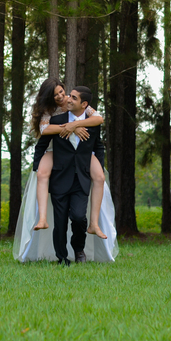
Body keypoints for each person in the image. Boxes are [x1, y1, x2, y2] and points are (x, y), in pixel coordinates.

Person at [12, 84, 118, 263]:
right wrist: (37, 165)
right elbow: (43, 138)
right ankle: (61, 257)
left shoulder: (90, 118)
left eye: (67, 94)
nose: (65, 97)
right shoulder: (51, 116)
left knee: (78, 217)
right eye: (58, 95)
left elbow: (98, 141)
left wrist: (75, 125)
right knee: (59, 221)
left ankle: (80, 249)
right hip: (60, 172)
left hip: (81, 174)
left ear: (82, 103)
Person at [29, 79, 107, 238]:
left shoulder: (73, 101)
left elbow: (98, 119)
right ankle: (42, 219)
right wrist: (70, 128)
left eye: (61, 92)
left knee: (99, 177)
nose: (60, 96)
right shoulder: (48, 110)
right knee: (42, 174)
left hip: (79, 151)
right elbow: (44, 130)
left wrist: (76, 125)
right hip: (55, 147)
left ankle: (94, 224)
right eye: (55, 94)